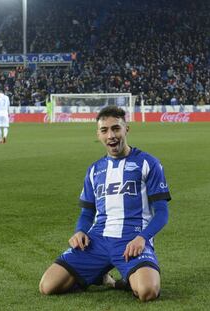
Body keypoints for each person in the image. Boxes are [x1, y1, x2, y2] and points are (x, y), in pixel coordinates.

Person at [39, 106, 171, 302]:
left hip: (131, 239)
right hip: (97, 240)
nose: (111, 135)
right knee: (47, 286)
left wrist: (143, 238)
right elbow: (86, 213)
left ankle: (120, 281)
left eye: (116, 128)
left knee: (147, 291)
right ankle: (98, 275)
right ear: (98, 134)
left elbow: (161, 212)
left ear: (127, 129)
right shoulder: (94, 170)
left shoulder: (148, 163)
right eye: (104, 130)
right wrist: (80, 231)